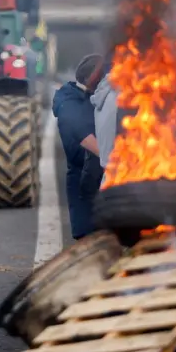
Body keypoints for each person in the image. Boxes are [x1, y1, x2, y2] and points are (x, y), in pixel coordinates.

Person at [52, 54, 104, 240]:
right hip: (84, 181)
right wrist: (113, 158)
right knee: (91, 240)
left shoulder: (93, 97)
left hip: (102, 177)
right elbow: (81, 133)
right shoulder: (69, 101)